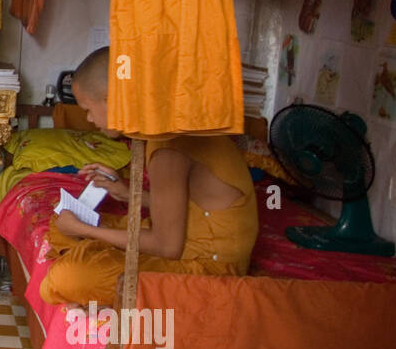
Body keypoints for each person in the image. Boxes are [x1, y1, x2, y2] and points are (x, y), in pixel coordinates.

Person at [44, 46, 259, 307]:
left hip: (209, 272)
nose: (89, 119)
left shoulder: (168, 146)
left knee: (68, 277)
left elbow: (167, 247)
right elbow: (187, 206)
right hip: (187, 238)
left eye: (88, 109)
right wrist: (125, 192)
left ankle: (89, 273)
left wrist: (85, 230)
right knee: (60, 226)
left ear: (111, 100)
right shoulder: (167, 126)